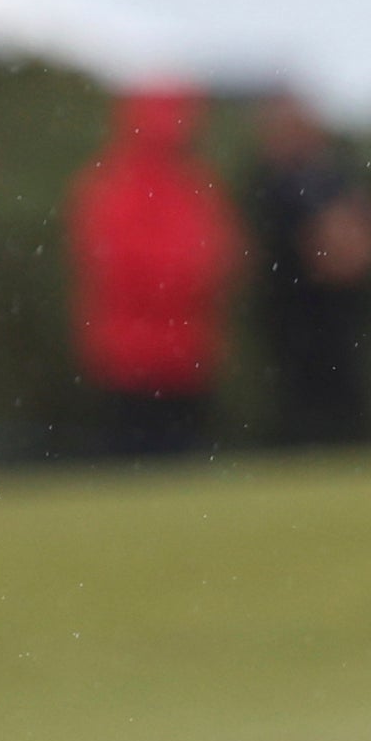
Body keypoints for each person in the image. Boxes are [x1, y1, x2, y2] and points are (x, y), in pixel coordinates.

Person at [62, 83, 231, 461]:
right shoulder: (119, 187)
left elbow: (221, 254)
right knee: (138, 458)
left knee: (174, 459)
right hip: (135, 356)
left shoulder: (188, 184)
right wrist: (187, 277)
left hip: (181, 352)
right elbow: (119, 266)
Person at [240, 90, 371, 448]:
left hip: (338, 314)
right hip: (292, 315)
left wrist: (350, 249)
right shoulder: (266, 184)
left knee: (345, 393)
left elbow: (367, 232)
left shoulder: (335, 176)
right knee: (297, 401)